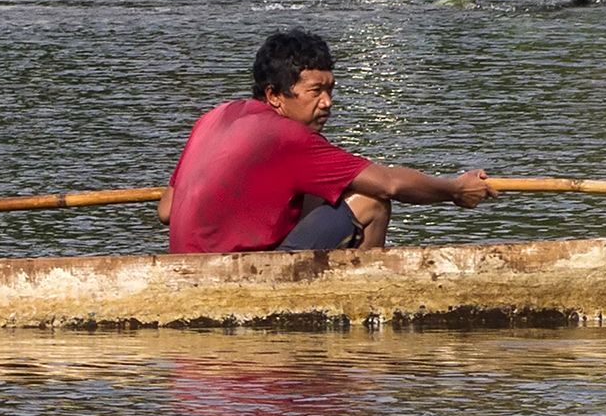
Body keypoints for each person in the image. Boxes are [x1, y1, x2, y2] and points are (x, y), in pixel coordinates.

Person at [164, 29, 494, 255]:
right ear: (274, 96)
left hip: (184, 269)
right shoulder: (288, 137)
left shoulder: (213, 117)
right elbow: (389, 184)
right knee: (370, 201)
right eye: (315, 92)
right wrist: (456, 190)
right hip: (241, 275)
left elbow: (166, 210)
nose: (327, 103)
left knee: (314, 192)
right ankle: (368, 306)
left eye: (330, 91)